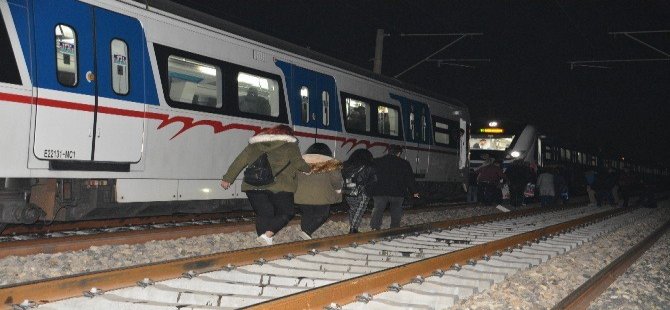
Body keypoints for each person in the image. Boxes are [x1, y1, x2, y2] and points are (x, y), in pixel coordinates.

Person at [220, 125, 310, 246]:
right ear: (288, 135)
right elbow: (299, 163)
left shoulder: (254, 145)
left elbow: (239, 161)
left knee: (264, 213)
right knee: (286, 212)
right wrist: (308, 169)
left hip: (253, 185)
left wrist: (228, 178)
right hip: (280, 186)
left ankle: (264, 241)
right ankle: (267, 235)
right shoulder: (290, 145)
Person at [294, 143, 343, 240]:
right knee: (323, 215)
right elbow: (336, 179)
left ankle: (305, 236)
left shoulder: (300, 160)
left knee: (307, 214)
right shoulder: (331, 162)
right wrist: (338, 190)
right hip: (322, 194)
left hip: (302, 194)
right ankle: (307, 232)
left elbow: (293, 176)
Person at [369, 145, 419, 230]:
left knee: (378, 209)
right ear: (399, 153)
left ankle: (375, 227)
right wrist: (414, 192)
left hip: (380, 191)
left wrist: (370, 189)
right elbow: (409, 179)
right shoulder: (404, 163)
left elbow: (371, 176)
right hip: (397, 192)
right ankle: (394, 228)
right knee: (396, 210)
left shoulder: (377, 161)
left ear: (388, 151)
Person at [341, 149, 377, 233]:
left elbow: (344, 178)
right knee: (359, 210)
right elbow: (374, 180)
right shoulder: (369, 166)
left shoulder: (346, 165)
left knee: (353, 209)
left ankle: (353, 227)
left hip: (348, 190)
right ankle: (353, 229)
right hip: (363, 191)